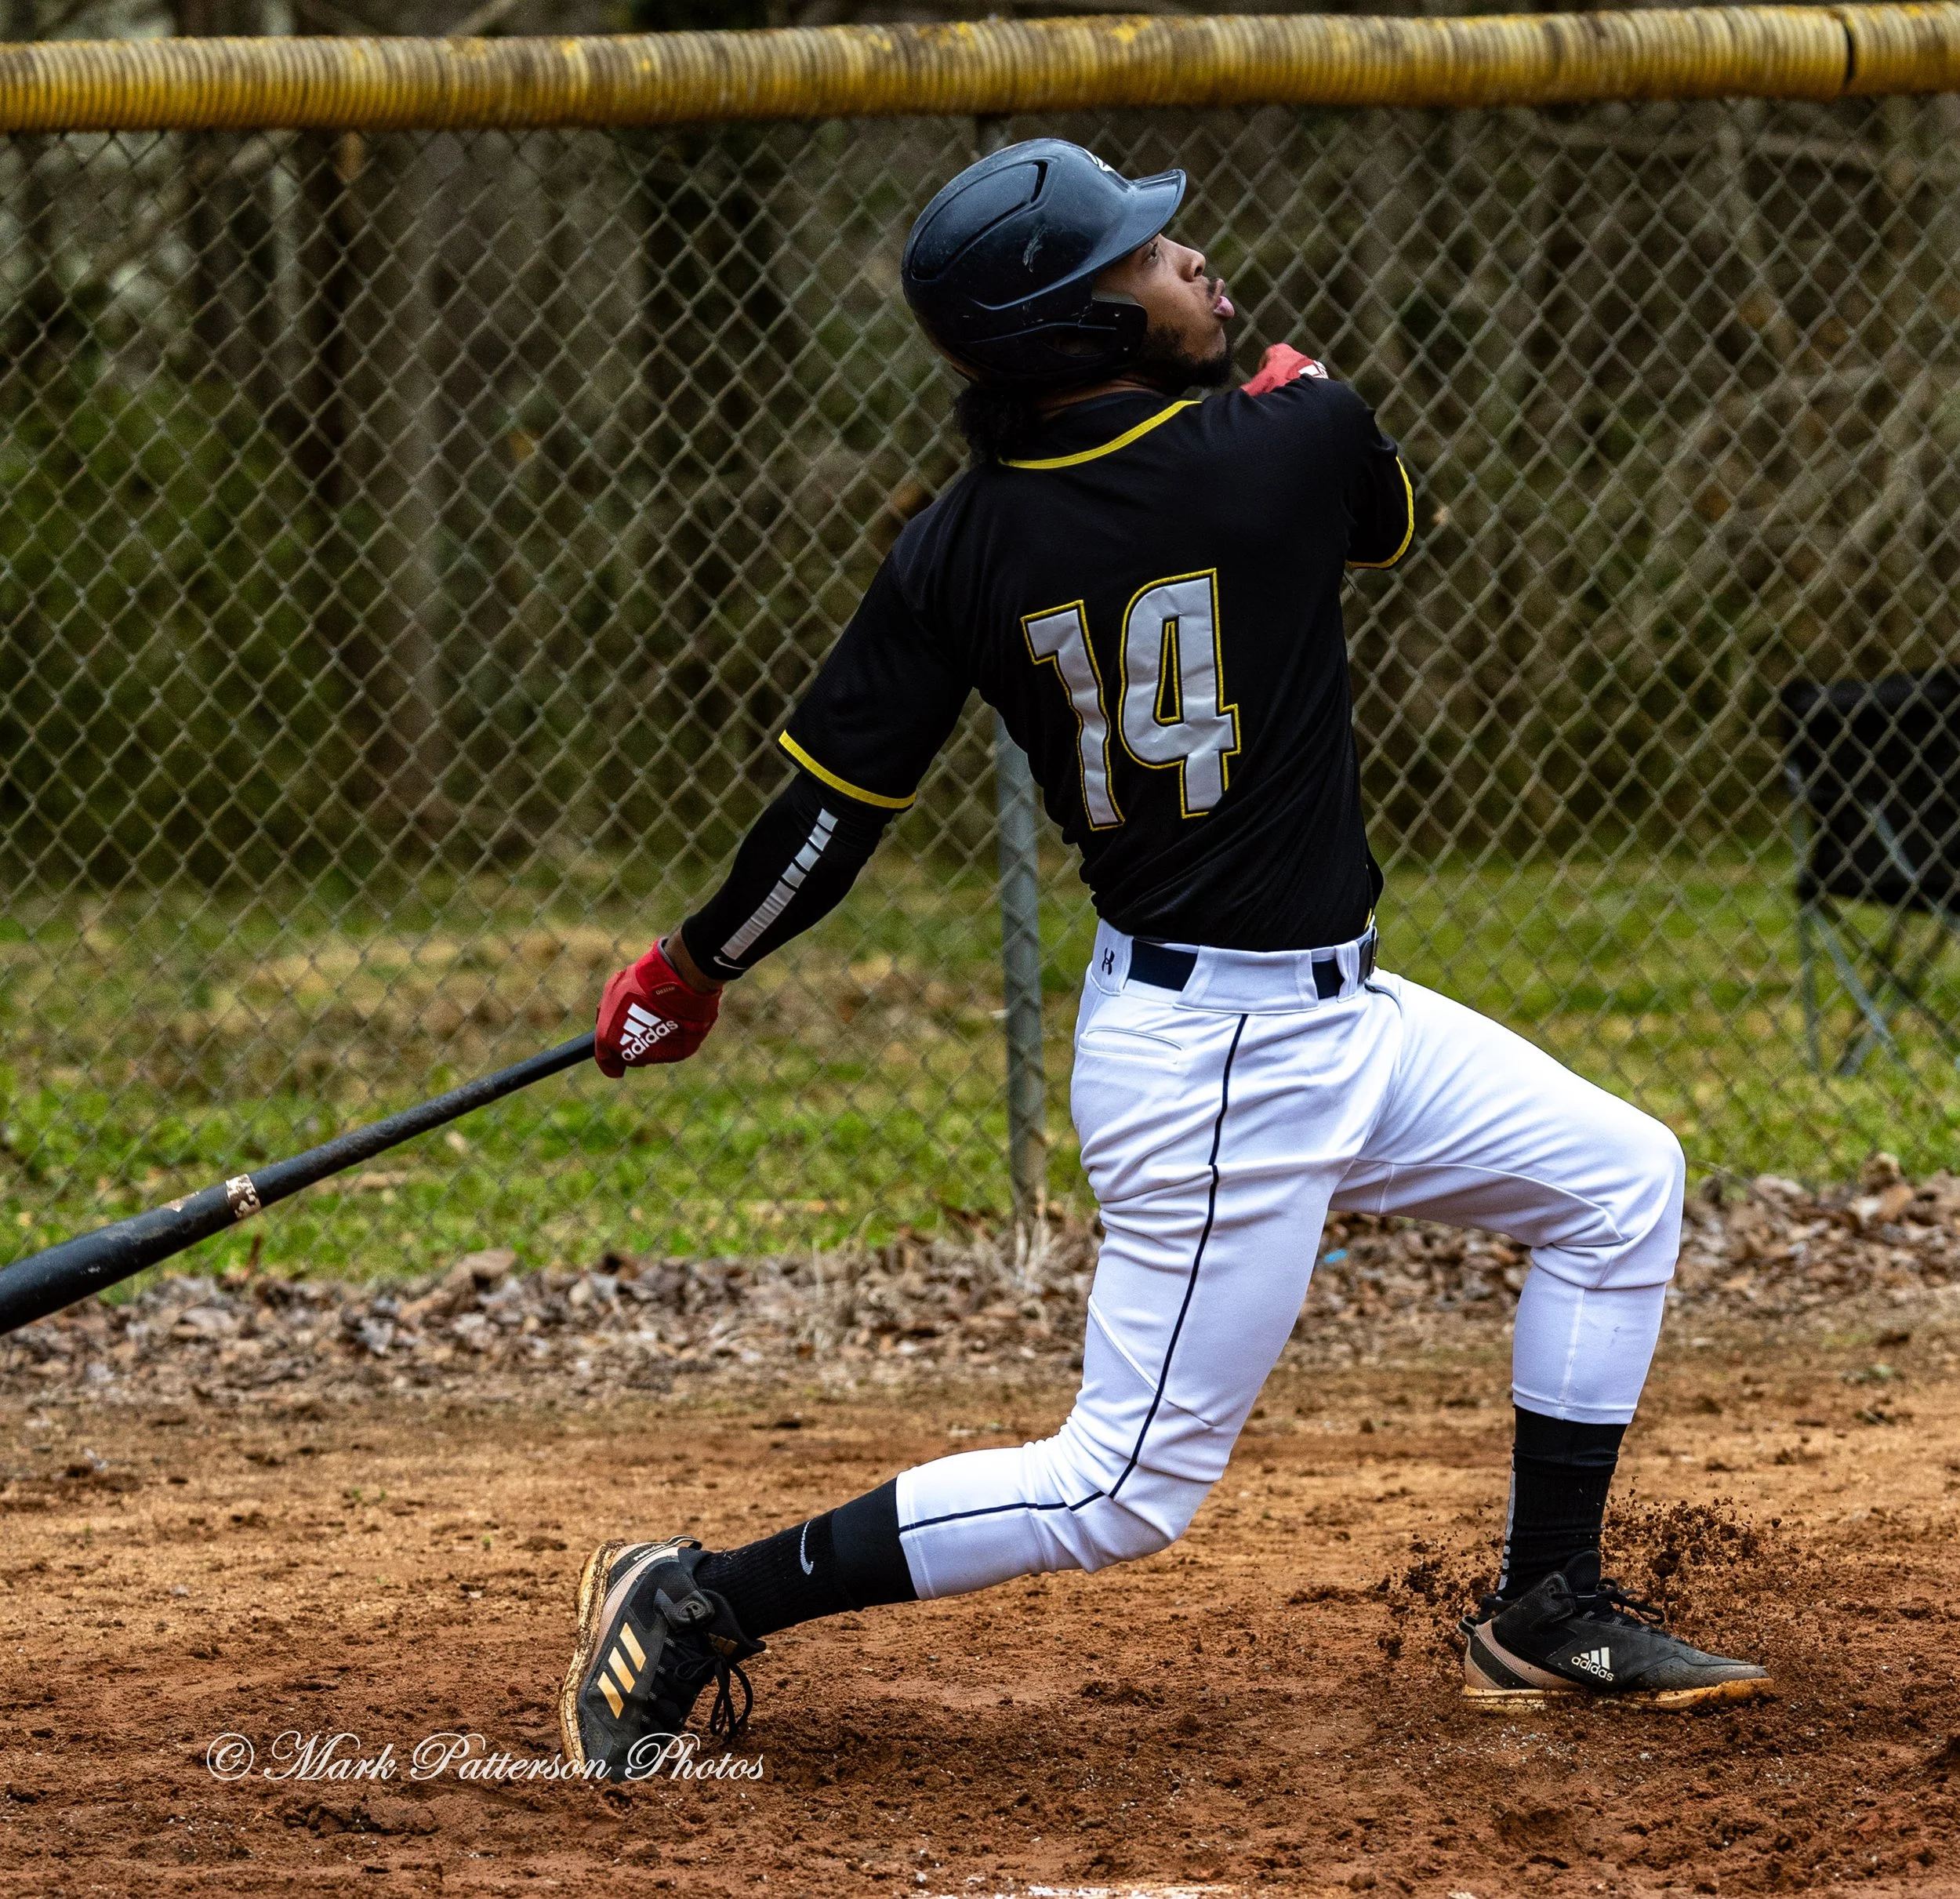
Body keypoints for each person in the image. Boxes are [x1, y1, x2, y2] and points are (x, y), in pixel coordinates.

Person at [557, 139, 1769, 1777]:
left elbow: (826, 818)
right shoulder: (1289, 439)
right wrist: (1280, 377)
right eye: (1139, 258)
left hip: (1327, 1018)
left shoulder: (959, 542)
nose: (1189, 256)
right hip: (1221, 1068)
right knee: (1119, 1488)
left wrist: (696, 965)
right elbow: (1387, 518)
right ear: (1074, 331)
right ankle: (698, 1598)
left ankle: (1543, 1601)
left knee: (1619, 1177)